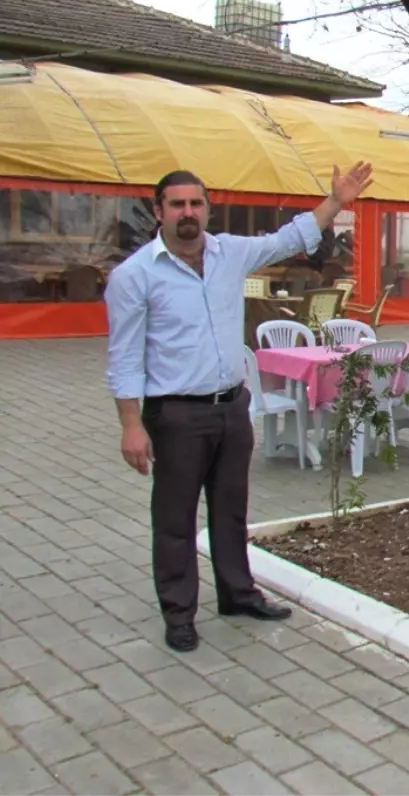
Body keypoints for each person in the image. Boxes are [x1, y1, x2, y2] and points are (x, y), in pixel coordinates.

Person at [105, 162, 374, 653]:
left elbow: (287, 238)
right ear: (158, 210)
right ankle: (179, 613)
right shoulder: (134, 277)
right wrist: (130, 425)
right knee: (175, 518)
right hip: (175, 414)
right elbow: (123, 357)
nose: (188, 212)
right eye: (177, 204)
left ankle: (238, 594)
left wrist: (335, 203)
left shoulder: (230, 254)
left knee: (230, 511)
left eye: (196, 203)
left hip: (231, 408)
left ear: (208, 208)